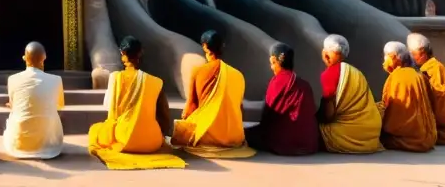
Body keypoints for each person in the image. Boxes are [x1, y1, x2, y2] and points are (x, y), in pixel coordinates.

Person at [87, 36, 184, 170]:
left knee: (95, 130)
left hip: (124, 140)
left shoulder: (116, 77)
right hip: (152, 142)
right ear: (140, 53)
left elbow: (110, 109)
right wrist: (162, 138)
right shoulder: (156, 81)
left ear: (122, 54)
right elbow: (164, 116)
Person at [171, 30, 255, 159]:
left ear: (204, 46)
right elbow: (239, 109)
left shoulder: (199, 71)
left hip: (204, 137)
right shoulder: (237, 75)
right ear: (222, 46)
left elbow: (191, 107)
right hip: (233, 138)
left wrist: (184, 123)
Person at [246, 42, 319, 156]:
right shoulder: (305, 84)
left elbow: (267, 115)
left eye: (272, 63)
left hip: (285, 143)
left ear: (275, 61)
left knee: (246, 134)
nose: (271, 67)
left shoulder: (276, 82)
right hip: (309, 143)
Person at [316, 34, 383, 154]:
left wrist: (317, 121)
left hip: (350, 133)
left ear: (325, 54)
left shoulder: (329, 74)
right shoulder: (356, 72)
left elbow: (328, 115)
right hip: (371, 131)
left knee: (312, 129)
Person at [2, 41, 65, 159]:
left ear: (25, 58)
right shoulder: (56, 80)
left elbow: (13, 105)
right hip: (50, 146)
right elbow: (59, 106)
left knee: (13, 113)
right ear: (44, 58)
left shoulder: (12, 79)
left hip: (19, 145)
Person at [379, 41, 437, 152]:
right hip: (427, 137)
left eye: (386, 57)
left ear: (395, 58)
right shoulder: (418, 75)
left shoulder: (396, 77)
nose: (384, 62)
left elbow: (391, 113)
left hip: (408, 139)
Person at [407, 32, 445, 145]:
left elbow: (436, 100)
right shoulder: (437, 67)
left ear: (422, 54)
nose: (411, 57)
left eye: (413, 54)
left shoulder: (431, 71)